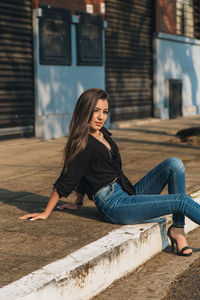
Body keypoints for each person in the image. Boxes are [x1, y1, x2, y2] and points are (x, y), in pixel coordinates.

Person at [20, 88, 200, 256]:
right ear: (85, 111)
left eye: (105, 112)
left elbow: (86, 174)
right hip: (114, 205)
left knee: (174, 164)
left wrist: (78, 202)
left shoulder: (103, 133)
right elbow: (68, 178)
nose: (100, 117)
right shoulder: (82, 144)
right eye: (96, 111)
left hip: (127, 191)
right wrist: (45, 212)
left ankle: (177, 229)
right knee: (181, 200)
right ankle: (179, 234)